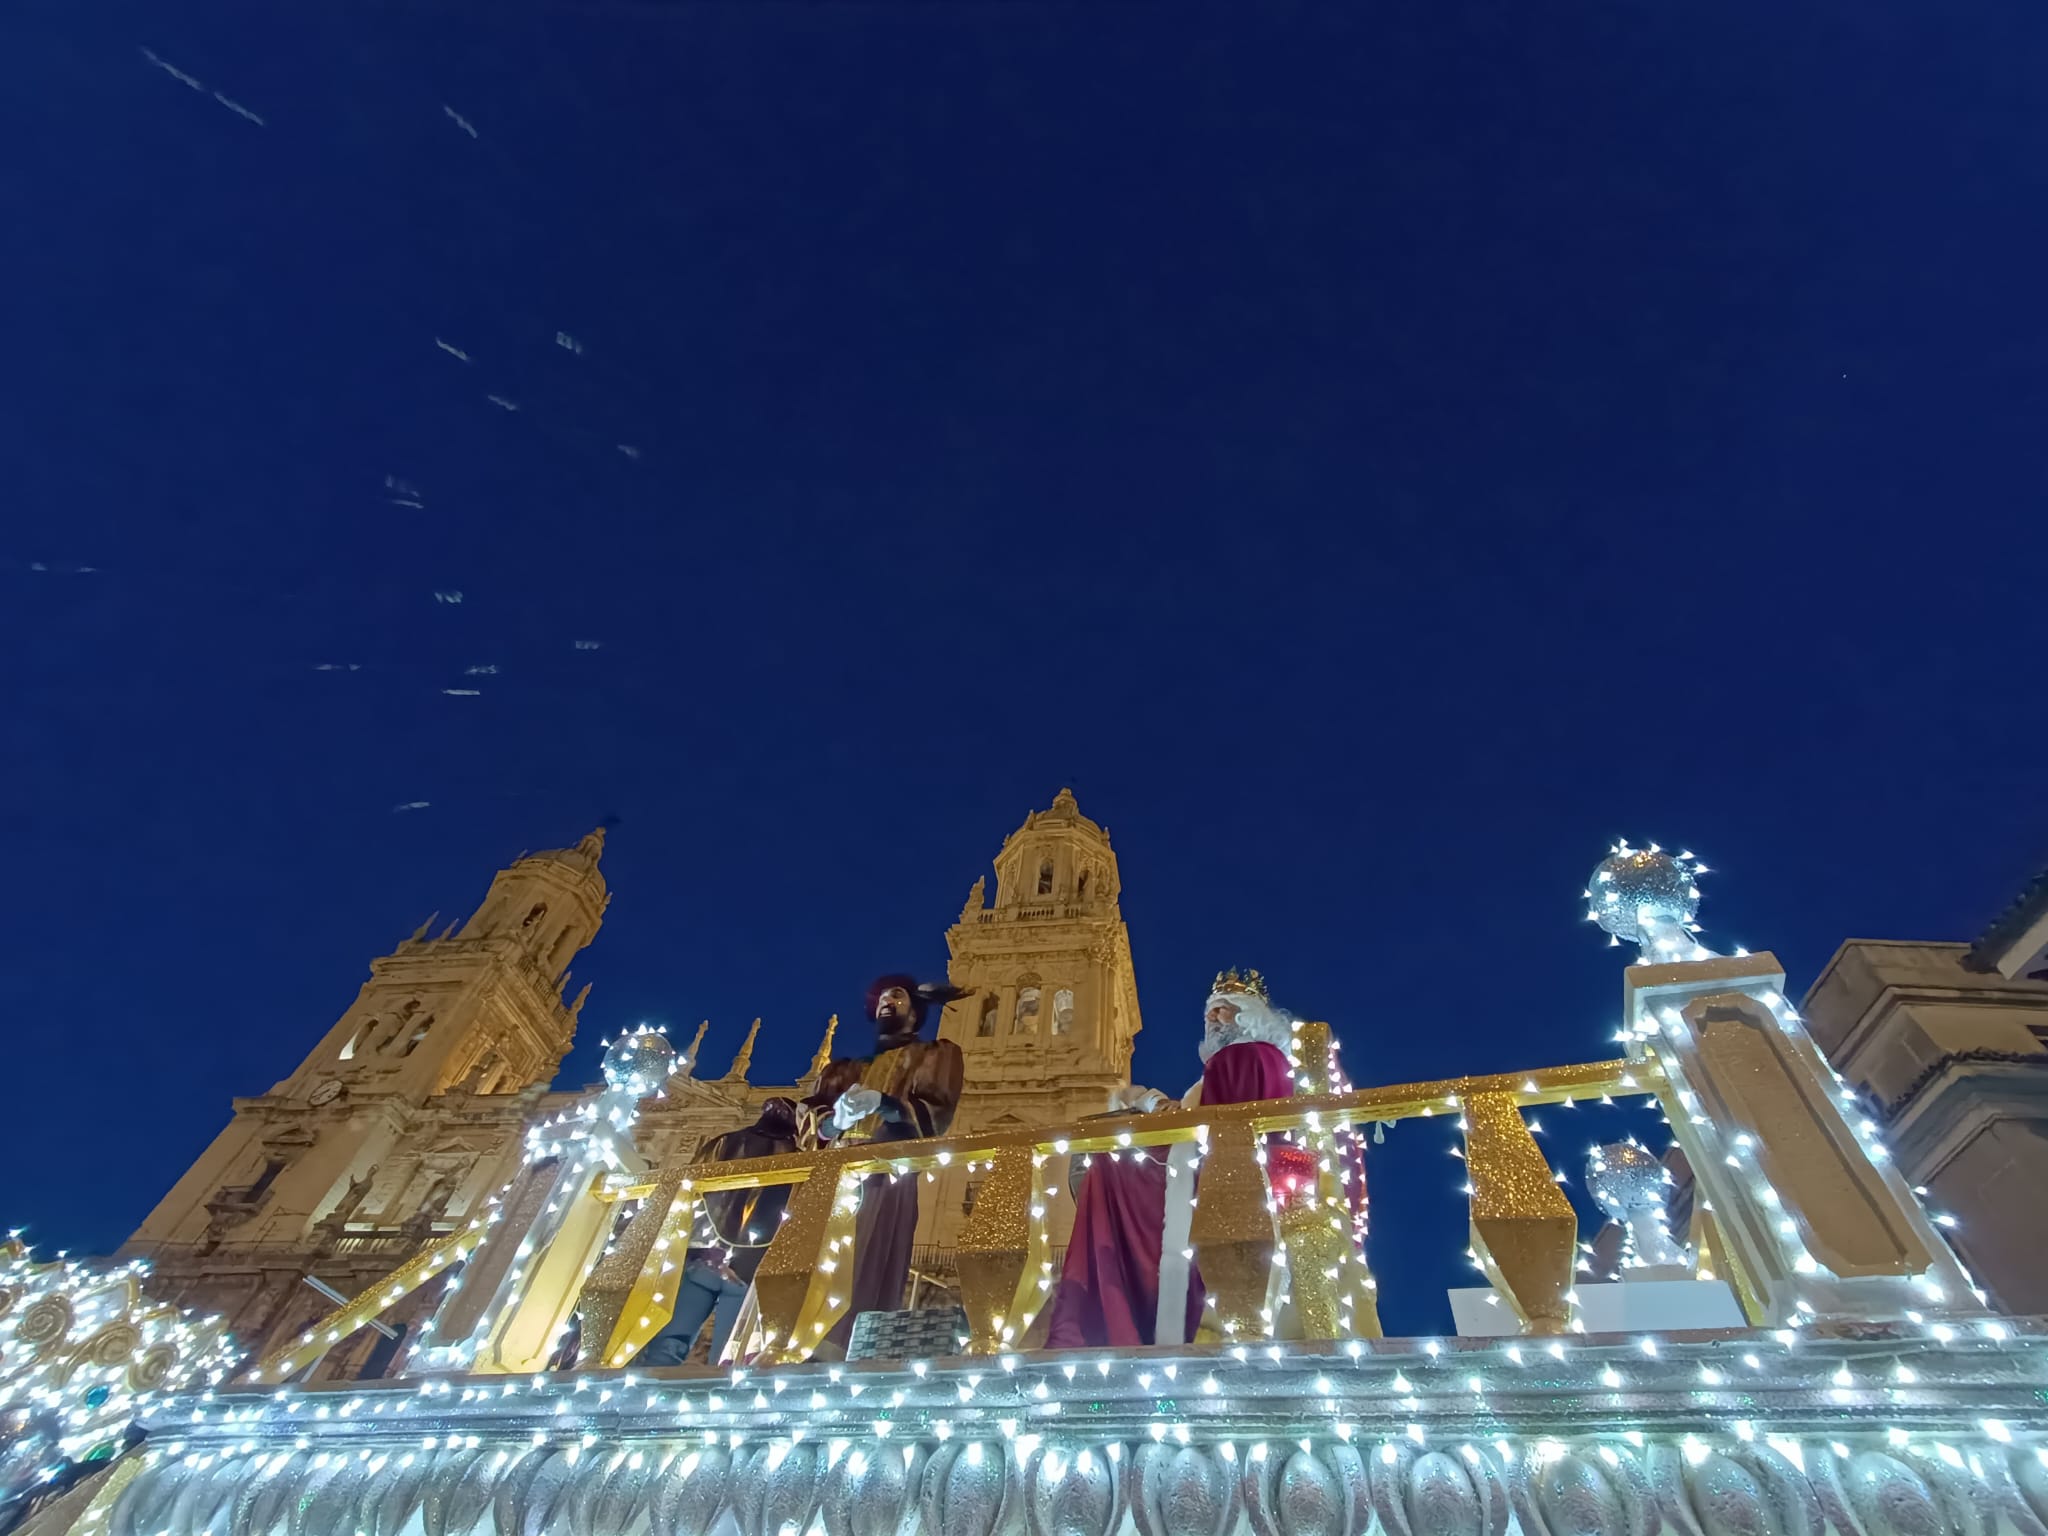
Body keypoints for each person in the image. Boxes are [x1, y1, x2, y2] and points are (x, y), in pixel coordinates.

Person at [1043, 968, 1300, 1349]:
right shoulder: (1246, 1058)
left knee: (1106, 1167)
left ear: (1248, 1014)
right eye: (1209, 1012)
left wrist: (1153, 1105)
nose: (1211, 1019)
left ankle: (1101, 1315)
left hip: (1224, 1183)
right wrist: (1155, 1106)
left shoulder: (1240, 1058)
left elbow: (1213, 1129)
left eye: (1222, 1010)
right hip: (1220, 1171)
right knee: (1106, 1158)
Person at [805, 975, 969, 1355]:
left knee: (863, 1255)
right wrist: (836, 1123)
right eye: (880, 996)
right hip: (832, 1173)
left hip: (886, 1171)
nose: (885, 1000)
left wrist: (886, 1104)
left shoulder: (935, 1055)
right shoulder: (844, 1070)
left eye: (896, 995)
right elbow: (813, 1124)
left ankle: (839, 1344)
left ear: (916, 1007)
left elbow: (935, 1110)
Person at [636, 1097, 802, 1367]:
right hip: (749, 1267)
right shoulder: (799, 1159)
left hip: (702, 1254)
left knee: (667, 1346)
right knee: (730, 1357)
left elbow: (689, 1192)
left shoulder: (721, 1142)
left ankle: (639, 1404)